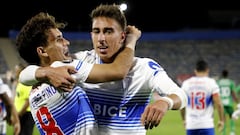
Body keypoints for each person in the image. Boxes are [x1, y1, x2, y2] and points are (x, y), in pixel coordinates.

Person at [19, 4, 187, 135]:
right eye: (96, 31)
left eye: (108, 31)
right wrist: (45, 72)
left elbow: (180, 95)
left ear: (122, 36)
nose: (101, 39)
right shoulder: (81, 61)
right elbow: (26, 73)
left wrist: (166, 102)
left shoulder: (144, 68)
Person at [16, 11, 140, 135]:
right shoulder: (64, 68)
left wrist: (44, 72)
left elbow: (24, 75)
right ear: (42, 51)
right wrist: (131, 40)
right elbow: (118, 70)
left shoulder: (34, 95)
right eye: (59, 40)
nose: (67, 42)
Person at [180, 59, 224, 135]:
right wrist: (221, 120)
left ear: (195, 71)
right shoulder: (211, 83)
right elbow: (218, 104)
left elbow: (182, 105)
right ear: (207, 70)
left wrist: (184, 119)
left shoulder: (186, 83)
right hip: (206, 125)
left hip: (191, 125)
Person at [13, 63, 35, 135]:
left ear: (21, 71)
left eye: (16, 70)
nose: (15, 72)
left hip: (26, 114)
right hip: (21, 114)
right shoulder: (20, 83)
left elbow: (27, 101)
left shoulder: (25, 83)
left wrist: (19, 114)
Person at [217, 69, 239, 135]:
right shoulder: (230, 82)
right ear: (227, 75)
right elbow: (234, 93)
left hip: (221, 103)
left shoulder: (218, 82)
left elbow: (216, 93)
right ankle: (232, 131)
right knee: (232, 116)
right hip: (229, 103)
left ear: (222, 74)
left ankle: (223, 133)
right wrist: (237, 101)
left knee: (223, 118)